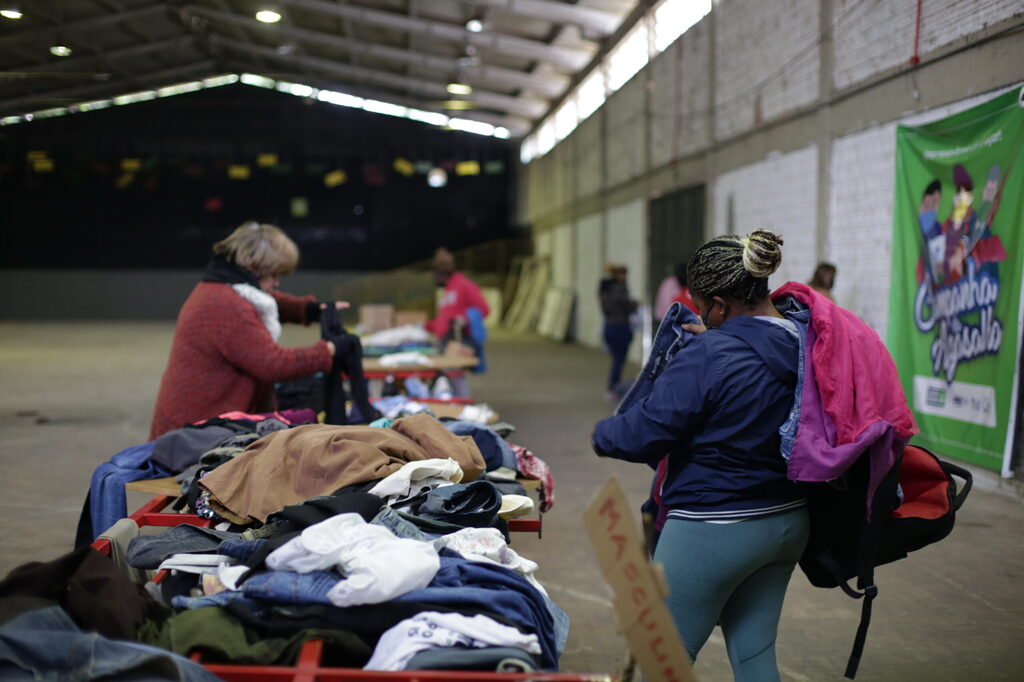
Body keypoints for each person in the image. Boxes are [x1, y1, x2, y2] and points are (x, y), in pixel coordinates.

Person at [592, 230, 808, 680]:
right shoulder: (804, 339)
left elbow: (645, 434)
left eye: (702, 306)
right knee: (754, 656)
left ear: (721, 305)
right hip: (786, 521)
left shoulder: (711, 352)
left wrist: (604, 432)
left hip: (715, 528)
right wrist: (706, 353)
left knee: (661, 663)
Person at [149, 221, 363, 439]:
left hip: (201, 423)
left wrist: (310, 310)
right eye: (273, 274)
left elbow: (267, 300)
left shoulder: (223, 286)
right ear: (253, 267)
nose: (277, 282)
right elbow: (272, 363)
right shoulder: (225, 304)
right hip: (193, 433)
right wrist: (328, 350)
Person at [424, 247, 490, 371]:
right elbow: (443, 319)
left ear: (442, 273)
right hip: (445, 341)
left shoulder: (464, 286)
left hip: (458, 341)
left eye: (435, 275)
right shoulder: (447, 290)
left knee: (451, 376)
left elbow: (484, 308)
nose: (434, 278)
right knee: (449, 378)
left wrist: (464, 319)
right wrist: (426, 325)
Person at [599, 264, 637, 401]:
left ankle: (613, 387)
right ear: (619, 275)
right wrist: (635, 304)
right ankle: (612, 388)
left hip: (609, 326)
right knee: (618, 360)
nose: (626, 277)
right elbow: (625, 305)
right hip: (620, 327)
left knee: (616, 359)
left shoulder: (605, 289)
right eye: (624, 275)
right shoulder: (619, 288)